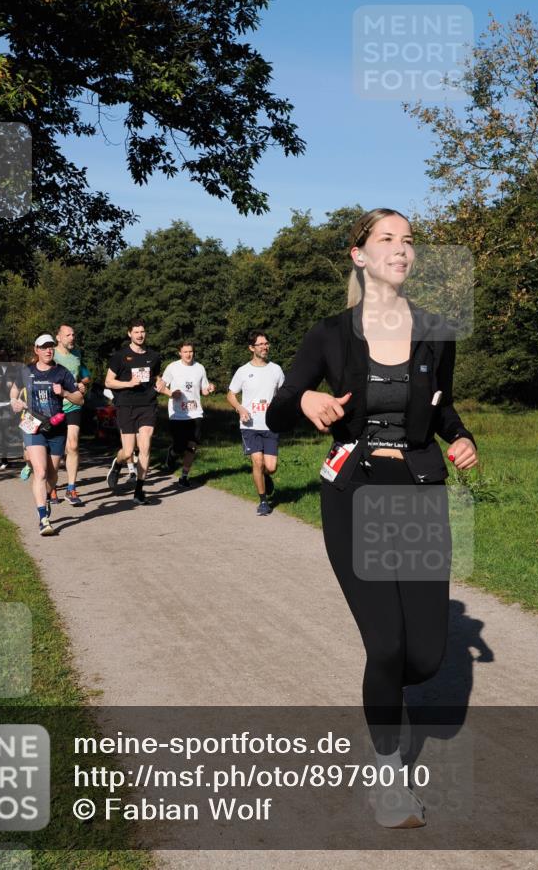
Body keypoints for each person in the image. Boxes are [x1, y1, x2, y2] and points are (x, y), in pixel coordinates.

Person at [266, 208, 478, 829]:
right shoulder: (330, 334)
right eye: (387, 239)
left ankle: (388, 699)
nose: (402, 249)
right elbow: (280, 406)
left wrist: (460, 437)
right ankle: (387, 775)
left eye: (409, 240)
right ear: (359, 255)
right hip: (355, 490)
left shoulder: (436, 331)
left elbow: (440, 407)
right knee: (385, 643)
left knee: (427, 659)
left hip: (417, 490)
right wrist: (305, 397)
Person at [10, 334, 84, 536]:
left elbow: (80, 400)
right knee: (40, 471)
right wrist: (14, 402)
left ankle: (46, 497)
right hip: (32, 425)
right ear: (36, 350)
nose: (48, 350)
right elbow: (15, 389)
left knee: (52, 475)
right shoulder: (27, 371)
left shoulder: (62, 373)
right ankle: (43, 518)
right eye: (44, 347)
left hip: (56, 427)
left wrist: (65, 394)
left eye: (51, 346)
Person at [226, 331, 285, 516]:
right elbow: (230, 394)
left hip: (271, 425)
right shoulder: (243, 371)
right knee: (257, 462)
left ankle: (266, 477)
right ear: (251, 348)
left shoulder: (276, 370)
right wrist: (240, 409)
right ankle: (263, 501)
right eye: (260, 344)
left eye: (266, 343)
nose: (264, 347)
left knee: (271, 467)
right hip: (250, 425)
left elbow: (284, 395)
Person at [104, 319, 162, 504]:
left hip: (147, 405)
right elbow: (108, 382)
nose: (140, 335)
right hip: (126, 405)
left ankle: (139, 489)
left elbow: (155, 377)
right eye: (136, 332)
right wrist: (128, 383)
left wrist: (160, 384)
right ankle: (118, 462)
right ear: (129, 334)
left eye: (142, 331)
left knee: (145, 447)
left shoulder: (154, 356)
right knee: (128, 451)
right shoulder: (120, 356)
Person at [158, 342, 216, 487]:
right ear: (180, 353)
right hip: (178, 414)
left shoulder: (200, 368)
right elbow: (161, 386)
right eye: (185, 352)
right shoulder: (173, 367)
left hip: (195, 412)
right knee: (179, 446)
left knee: (192, 446)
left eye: (191, 351)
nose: (188, 354)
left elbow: (204, 390)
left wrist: (210, 388)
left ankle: (184, 476)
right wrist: (171, 393)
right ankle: (172, 454)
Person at [53, 324, 91, 507]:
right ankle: (51, 486)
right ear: (58, 337)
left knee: (73, 444)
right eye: (67, 335)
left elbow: (83, 376)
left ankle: (71, 488)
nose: (71, 338)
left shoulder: (77, 354)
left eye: (73, 334)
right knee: (55, 450)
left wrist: (82, 384)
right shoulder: (50, 354)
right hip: (53, 407)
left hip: (73, 404)